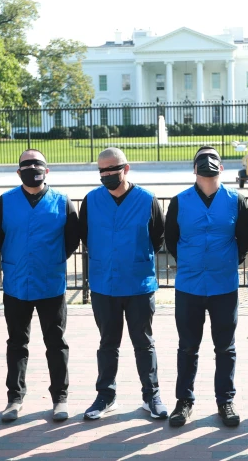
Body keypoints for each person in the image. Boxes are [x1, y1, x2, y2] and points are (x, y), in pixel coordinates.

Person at [164, 146, 248, 427]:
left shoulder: (236, 201)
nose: (207, 164)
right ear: (193, 169)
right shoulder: (179, 202)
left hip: (223, 286)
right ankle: (184, 401)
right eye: (201, 160)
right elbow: (171, 239)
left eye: (213, 158)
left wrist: (224, 262)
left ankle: (225, 400)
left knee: (225, 347)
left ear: (222, 168)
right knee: (187, 346)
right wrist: (192, 262)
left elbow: (244, 241)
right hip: (189, 285)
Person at [0, 149, 80, 423]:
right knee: (17, 343)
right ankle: (14, 398)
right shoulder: (5, 203)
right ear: (18, 172)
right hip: (17, 285)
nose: (32, 168)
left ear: (47, 170)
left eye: (38, 164)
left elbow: (71, 240)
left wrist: (48, 261)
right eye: (26, 165)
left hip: (50, 284)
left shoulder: (62, 202)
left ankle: (60, 398)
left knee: (56, 342)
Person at [79, 148, 168, 420]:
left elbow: (158, 238)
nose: (106, 175)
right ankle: (106, 396)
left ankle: (151, 395)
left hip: (138, 284)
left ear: (125, 169)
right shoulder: (91, 201)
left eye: (112, 169)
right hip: (104, 285)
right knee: (108, 343)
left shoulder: (147, 199)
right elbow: (85, 237)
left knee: (143, 342)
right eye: (101, 171)